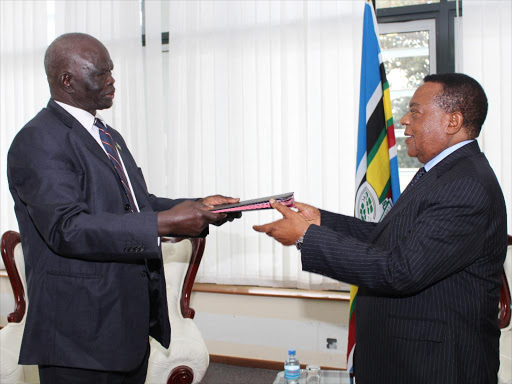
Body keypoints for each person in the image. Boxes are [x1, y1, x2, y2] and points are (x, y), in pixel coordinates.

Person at [7, 32, 240, 384]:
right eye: (101, 74)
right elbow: (67, 229)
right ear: (66, 80)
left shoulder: (108, 135)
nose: (112, 80)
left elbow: (138, 205)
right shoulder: (38, 139)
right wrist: (162, 223)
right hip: (80, 334)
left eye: (111, 71)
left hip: (126, 326)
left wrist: (197, 206)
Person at [254, 73, 507, 384]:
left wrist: (307, 236)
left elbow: (400, 270)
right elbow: (387, 240)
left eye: (415, 111)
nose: (404, 119)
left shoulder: (466, 185)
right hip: (403, 354)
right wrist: (320, 220)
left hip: (434, 365)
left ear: (452, 121)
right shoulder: (441, 173)